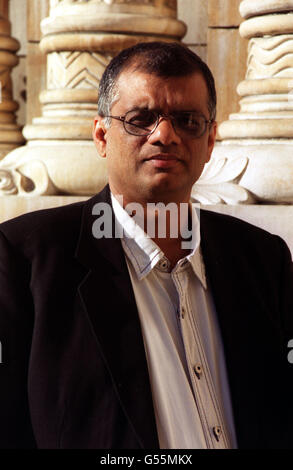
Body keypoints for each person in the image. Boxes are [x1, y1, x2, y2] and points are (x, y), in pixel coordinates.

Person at [0, 41, 292, 450]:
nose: (165, 135)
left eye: (188, 120)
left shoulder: (264, 259)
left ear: (210, 142)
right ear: (102, 136)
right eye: (141, 119)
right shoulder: (24, 260)